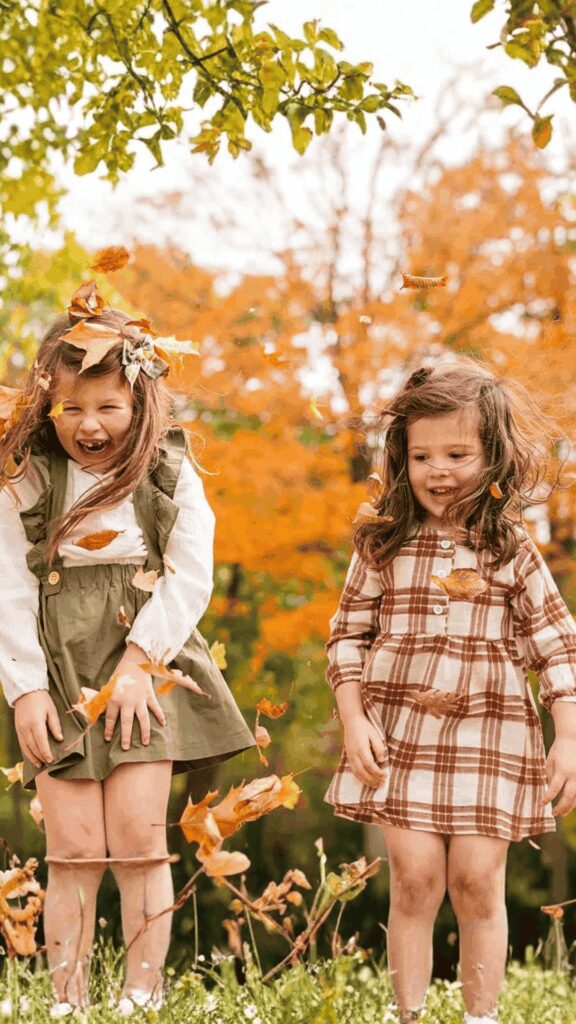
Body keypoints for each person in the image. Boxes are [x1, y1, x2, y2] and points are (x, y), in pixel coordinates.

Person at [0, 282, 256, 1014]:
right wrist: (26, 688)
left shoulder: (168, 469)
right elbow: (8, 583)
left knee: (140, 842)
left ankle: (141, 998)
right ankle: (68, 1000)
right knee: (75, 849)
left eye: (107, 407)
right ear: (46, 401)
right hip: (58, 664)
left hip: (147, 659)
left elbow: (190, 572)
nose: (89, 424)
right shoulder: (25, 474)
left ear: (140, 401)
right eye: (71, 407)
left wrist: (142, 665)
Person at [324, 361, 576, 1024]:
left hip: (491, 732)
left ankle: (480, 1017)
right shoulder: (382, 542)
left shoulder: (511, 547)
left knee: (475, 881)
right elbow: (346, 638)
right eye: (422, 456)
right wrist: (354, 720)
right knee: (414, 879)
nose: (438, 471)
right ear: (401, 459)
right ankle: (406, 1015)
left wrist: (569, 737)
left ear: (492, 456)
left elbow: (557, 646)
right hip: (399, 731)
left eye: (457, 455)